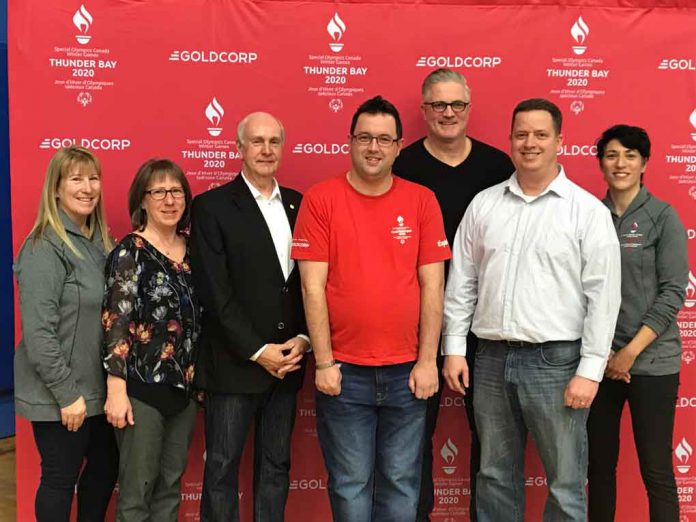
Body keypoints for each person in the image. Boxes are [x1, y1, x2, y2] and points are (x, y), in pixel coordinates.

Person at [442, 98, 621, 521]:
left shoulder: (587, 212)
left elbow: (604, 297)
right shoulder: (484, 205)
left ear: (560, 141)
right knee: (493, 475)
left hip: (557, 362)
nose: (530, 143)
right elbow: (463, 281)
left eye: (541, 134)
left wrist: (590, 369)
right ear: (510, 140)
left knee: (565, 480)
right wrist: (453, 347)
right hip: (490, 360)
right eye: (521, 134)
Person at [293, 95, 451, 521]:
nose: (374, 147)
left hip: (407, 372)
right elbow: (313, 287)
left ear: (399, 145)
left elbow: (432, 287)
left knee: (402, 485)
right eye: (364, 137)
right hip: (344, 372)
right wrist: (324, 362)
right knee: (350, 486)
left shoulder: (422, 201)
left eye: (384, 139)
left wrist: (427, 361)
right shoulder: (321, 199)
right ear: (349, 141)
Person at [392, 68, 514, 521]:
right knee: (410, 441)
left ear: (469, 108)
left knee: (491, 441)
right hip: (413, 322)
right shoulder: (400, 166)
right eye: (438, 105)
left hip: (486, 324)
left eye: (457, 105)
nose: (448, 113)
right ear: (424, 111)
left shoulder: (498, 166)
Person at [190, 112, 308, 522]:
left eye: (274, 141)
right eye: (256, 141)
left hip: (289, 363)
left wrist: (304, 340)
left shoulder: (300, 204)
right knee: (221, 466)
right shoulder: (211, 207)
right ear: (238, 148)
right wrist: (259, 351)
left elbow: (312, 282)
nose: (266, 150)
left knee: (276, 466)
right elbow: (214, 292)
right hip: (234, 363)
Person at [587, 125, 688, 521]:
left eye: (630, 155)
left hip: (651, 361)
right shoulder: (590, 215)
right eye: (611, 155)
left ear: (644, 162)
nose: (620, 163)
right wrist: (606, 352)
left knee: (657, 470)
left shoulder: (664, 217)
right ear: (601, 163)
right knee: (598, 468)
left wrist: (628, 353)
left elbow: (673, 293)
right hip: (599, 361)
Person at [14, 146, 118, 521]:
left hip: (98, 391)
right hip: (64, 394)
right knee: (60, 479)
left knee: (105, 470)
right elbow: (39, 334)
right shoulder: (44, 247)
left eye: (93, 178)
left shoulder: (99, 244)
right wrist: (66, 394)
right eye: (76, 179)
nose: (88, 187)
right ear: (55, 189)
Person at [102, 158, 200, 521]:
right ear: (142, 200)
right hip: (140, 390)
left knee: (170, 488)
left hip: (183, 391)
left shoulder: (193, 251)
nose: (169, 200)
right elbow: (116, 320)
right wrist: (116, 389)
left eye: (176, 191)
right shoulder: (130, 252)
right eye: (158, 192)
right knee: (136, 492)